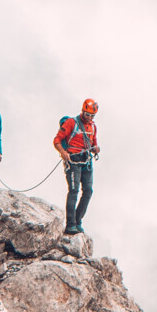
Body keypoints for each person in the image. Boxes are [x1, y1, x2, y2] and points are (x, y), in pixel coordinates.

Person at [54, 98, 101, 234]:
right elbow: (57, 139)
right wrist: (63, 152)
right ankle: (71, 225)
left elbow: (93, 144)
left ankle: (77, 220)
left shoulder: (93, 127)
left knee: (88, 191)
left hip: (86, 161)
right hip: (73, 160)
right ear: (82, 111)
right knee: (74, 191)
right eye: (88, 115)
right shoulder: (71, 123)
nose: (90, 118)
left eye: (92, 116)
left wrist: (95, 149)